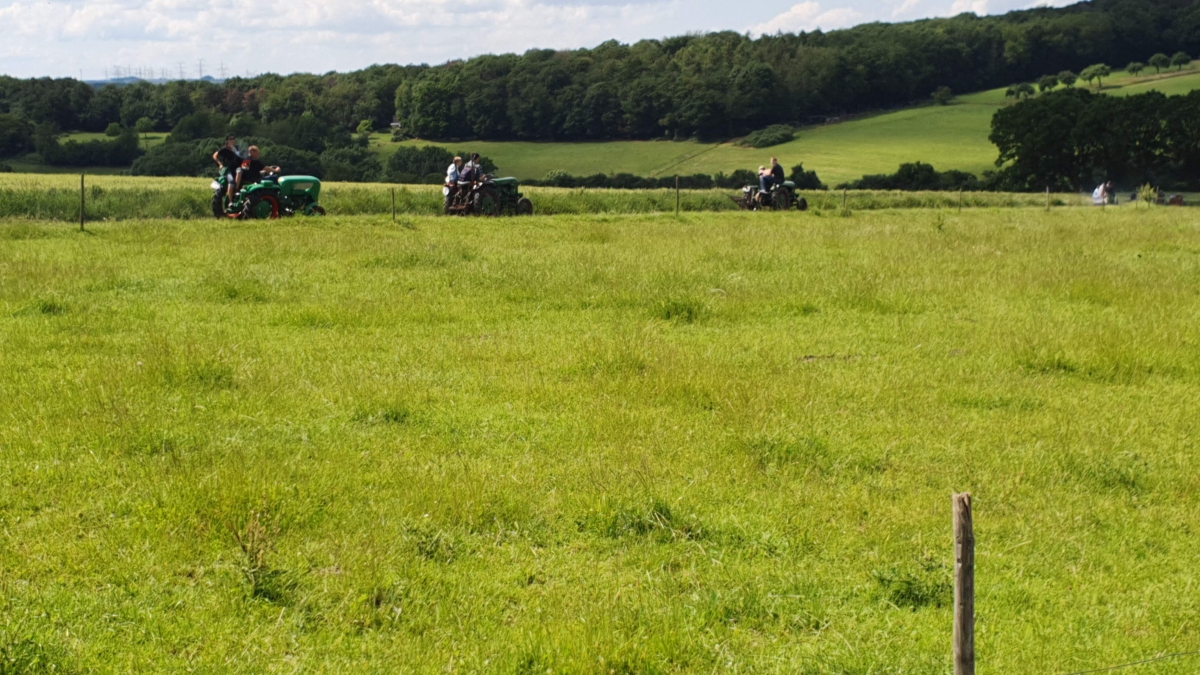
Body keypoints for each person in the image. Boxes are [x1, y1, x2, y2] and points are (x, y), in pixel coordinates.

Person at [212, 135, 241, 204]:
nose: (232, 140)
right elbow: (215, 155)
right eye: (230, 139)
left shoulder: (237, 148)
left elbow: (242, 157)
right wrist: (220, 164)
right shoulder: (224, 149)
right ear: (227, 141)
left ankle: (237, 190)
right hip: (228, 170)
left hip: (237, 168)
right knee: (231, 182)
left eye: (233, 139)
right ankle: (230, 201)